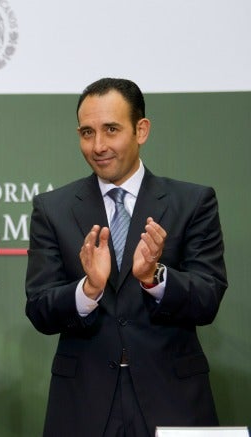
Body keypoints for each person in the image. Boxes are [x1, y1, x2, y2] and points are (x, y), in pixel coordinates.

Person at [25, 78, 227, 436]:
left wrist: (155, 277)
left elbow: (208, 297)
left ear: (141, 130)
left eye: (111, 130)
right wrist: (88, 289)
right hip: (82, 403)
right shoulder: (52, 209)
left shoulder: (192, 202)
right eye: (87, 133)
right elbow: (40, 308)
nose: (98, 145)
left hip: (173, 399)